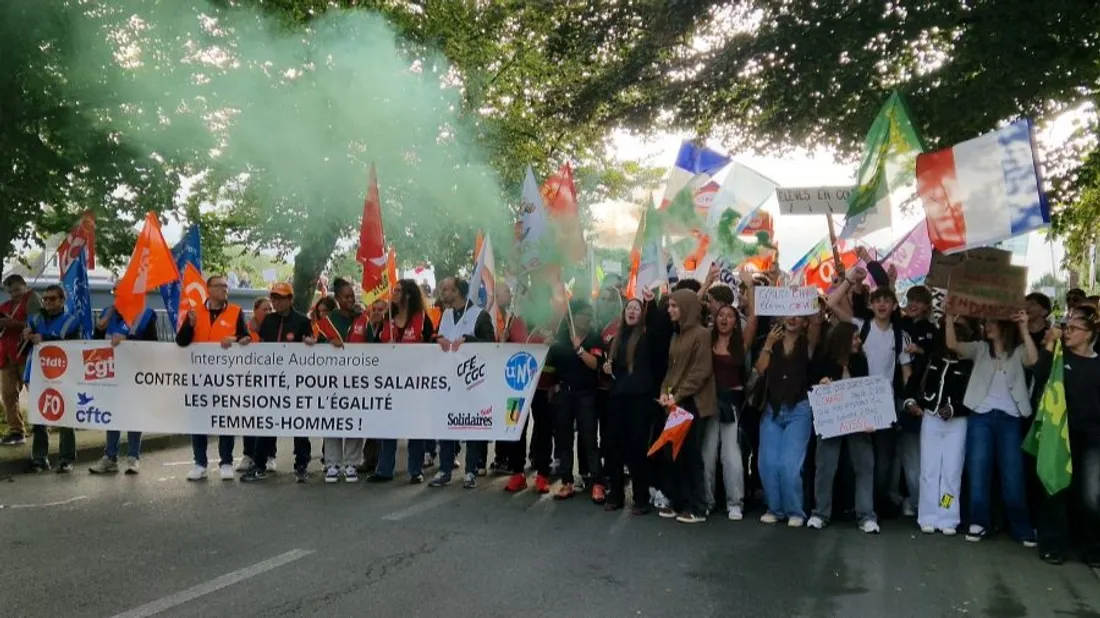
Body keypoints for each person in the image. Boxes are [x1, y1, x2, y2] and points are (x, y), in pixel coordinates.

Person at [944, 307, 1038, 546]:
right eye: (986, 322)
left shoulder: (1018, 352)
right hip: (981, 417)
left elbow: (1033, 359)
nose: (988, 326)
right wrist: (948, 317)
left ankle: (1022, 527)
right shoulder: (980, 348)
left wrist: (1024, 328)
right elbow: (952, 344)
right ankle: (978, 522)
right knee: (978, 471)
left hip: (1010, 418)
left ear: (1004, 326)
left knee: (1013, 474)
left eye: (993, 322)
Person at [829, 267, 915, 517]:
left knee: (884, 460)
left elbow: (906, 373)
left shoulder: (901, 336)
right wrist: (849, 280)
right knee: (856, 458)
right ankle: (852, 504)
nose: (882, 305)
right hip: (859, 401)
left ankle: (874, 506)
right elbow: (832, 303)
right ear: (870, 305)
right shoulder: (860, 327)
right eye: (877, 300)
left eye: (887, 301)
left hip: (886, 404)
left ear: (894, 306)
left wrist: (906, 402)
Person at [1034, 306, 1100, 566]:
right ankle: (1053, 546)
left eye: (1074, 328)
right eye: (1066, 327)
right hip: (1060, 434)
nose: (1067, 332)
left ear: (1089, 334)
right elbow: (1040, 375)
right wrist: (1050, 343)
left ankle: (1092, 549)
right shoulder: (1061, 358)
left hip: (1092, 439)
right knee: (1055, 488)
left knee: (1090, 494)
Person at [177, 274, 251, 481]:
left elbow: (245, 336)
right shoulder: (194, 312)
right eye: (220, 286)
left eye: (226, 286)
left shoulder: (235, 311)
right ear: (208, 289)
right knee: (199, 420)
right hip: (199, 376)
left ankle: (226, 462)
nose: (224, 289)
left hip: (226, 377)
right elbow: (181, 341)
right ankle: (199, 463)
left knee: (225, 419)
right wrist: (189, 325)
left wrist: (235, 339)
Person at [907, 316, 977, 536]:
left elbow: (973, 398)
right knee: (929, 470)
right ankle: (927, 515)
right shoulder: (932, 359)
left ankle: (948, 515)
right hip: (931, 419)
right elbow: (913, 386)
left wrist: (955, 409)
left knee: (951, 473)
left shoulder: (969, 365)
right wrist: (911, 403)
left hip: (957, 424)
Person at [240, 282, 316, 483]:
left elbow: (310, 344)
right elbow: (262, 346)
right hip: (271, 381)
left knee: (299, 424)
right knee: (267, 424)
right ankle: (259, 465)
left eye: (281, 298)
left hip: (295, 382)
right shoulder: (268, 321)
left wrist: (310, 343)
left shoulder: (301, 321)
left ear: (290, 299)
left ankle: (301, 465)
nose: (276, 302)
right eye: (274, 298)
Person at [807, 322, 879, 533]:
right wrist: (821, 385)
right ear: (843, 340)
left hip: (857, 422)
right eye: (855, 338)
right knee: (825, 467)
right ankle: (820, 513)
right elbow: (811, 388)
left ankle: (866, 515)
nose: (859, 342)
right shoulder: (823, 360)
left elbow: (864, 391)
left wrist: (870, 418)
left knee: (865, 465)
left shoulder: (860, 361)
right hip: (831, 422)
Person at [754, 312, 820, 527]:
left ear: (805, 320)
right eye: (789, 314)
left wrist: (811, 305)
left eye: (798, 315)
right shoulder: (772, 340)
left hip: (799, 408)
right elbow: (760, 370)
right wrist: (768, 344)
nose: (793, 319)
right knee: (767, 462)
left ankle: (795, 510)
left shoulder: (808, 342)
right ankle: (775, 508)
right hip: (772, 409)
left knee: (789, 464)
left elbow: (817, 322)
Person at [654, 289, 715, 524]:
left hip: (693, 402)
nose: (670, 310)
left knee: (691, 454)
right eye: (669, 305)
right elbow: (672, 369)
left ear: (686, 308)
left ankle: (697, 506)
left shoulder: (701, 334)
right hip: (675, 401)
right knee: (673, 453)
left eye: (674, 306)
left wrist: (677, 395)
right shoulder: (676, 335)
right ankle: (679, 501)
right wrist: (664, 392)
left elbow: (700, 371)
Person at [429, 277, 496, 488]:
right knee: (446, 424)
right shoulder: (446, 315)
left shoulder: (479, 315)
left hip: (471, 380)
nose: (443, 292)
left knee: (472, 425)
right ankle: (445, 469)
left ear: (458, 292)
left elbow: (490, 344)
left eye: (447, 289)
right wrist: (437, 339)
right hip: (448, 380)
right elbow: (437, 337)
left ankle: (471, 471)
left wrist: (469, 341)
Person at [369, 279, 435, 484]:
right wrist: (382, 342)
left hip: (415, 382)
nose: (394, 294)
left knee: (415, 427)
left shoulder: (422, 318)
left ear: (408, 294)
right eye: (394, 290)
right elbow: (372, 348)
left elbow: (432, 344)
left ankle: (415, 470)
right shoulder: (386, 319)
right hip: (388, 382)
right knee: (388, 426)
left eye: (398, 291)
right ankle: (384, 469)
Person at [88, 293, 158, 475]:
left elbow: (153, 345)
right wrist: (100, 327)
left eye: (121, 291)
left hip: (135, 372)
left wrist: (127, 341)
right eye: (115, 292)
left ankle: (133, 457)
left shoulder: (145, 315)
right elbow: (95, 344)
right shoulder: (107, 312)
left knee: (133, 414)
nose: (117, 295)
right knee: (112, 414)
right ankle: (110, 458)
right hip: (111, 372)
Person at [602, 298, 659, 513]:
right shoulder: (617, 337)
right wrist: (607, 368)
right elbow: (614, 367)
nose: (632, 311)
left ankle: (641, 498)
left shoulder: (646, 336)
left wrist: (651, 303)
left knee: (637, 448)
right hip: (618, 397)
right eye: (629, 308)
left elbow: (656, 327)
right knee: (614, 447)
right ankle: (615, 494)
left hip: (639, 399)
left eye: (636, 308)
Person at [546, 300, 605, 501]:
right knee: (564, 439)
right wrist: (553, 384)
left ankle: (597, 483)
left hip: (586, 394)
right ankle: (566, 482)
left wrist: (579, 349)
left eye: (590, 315)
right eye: (584, 315)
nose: (588, 319)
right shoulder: (561, 336)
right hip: (564, 394)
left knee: (589, 439)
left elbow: (595, 364)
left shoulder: (594, 336)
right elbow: (553, 364)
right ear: (574, 317)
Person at [701, 302, 750, 521]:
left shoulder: (741, 344)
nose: (724, 319)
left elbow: (753, 321)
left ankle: (735, 502)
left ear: (736, 322)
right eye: (721, 315)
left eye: (730, 316)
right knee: (707, 454)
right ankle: (707, 500)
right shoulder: (707, 340)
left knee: (731, 456)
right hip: (710, 402)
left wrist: (751, 290)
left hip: (731, 404)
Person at [23, 285, 80, 472]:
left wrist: (45, 338)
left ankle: (66, 459)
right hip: (38, 373)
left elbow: (74, 347)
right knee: (39, 416)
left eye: (52, 299)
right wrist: (26, 335)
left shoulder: (71, 321)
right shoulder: (36, 319)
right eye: (45, 299)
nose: (47, 302)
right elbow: (25, 345)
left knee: (65, 416)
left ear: (62, 300)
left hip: (63, 375)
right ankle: (40, 458)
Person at [318, 278, 367, 484]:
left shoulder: (362, 319)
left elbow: (372, 344)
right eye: (346, 297)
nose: (350, 300)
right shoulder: (326, 322)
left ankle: (352, 463)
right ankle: (332, 463)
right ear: (337, 299)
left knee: (354, 420)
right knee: (333, 420)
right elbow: (316, 349)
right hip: (332, 380)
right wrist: (329, 342)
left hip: (357, 380)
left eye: (352, 296)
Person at [491, 283, 534, 492]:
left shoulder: (544, 322)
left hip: (542, 386)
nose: (520, 300)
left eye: (526, 297)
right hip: (515, 386)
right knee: (516, 427)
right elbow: (502, 354)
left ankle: (543, 473)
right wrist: (503, 341)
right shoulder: (512, 322)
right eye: (519, 297)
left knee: (544, 428)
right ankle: (517, 471)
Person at [1, 274, 40, 446]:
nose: (14, 294)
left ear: (25, 286)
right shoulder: (5, 306)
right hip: (7, 355)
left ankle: (40, 428)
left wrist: (14, 324)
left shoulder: (32, 299)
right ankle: (16, 431)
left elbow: (38, 323)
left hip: (26, 354)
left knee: (35, 392)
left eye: (17, 290)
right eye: (10, 292)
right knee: (8, 395)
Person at [240, 296, 275, 472]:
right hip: (250, 380)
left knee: (269, 418)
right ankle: (248, 455)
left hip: (271, 380)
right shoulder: (246, 329)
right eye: (264, 309)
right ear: (255, 311)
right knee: (250, 418)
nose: (268, 312)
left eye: (270, 309)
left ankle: (270, 456)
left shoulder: (275, 327)